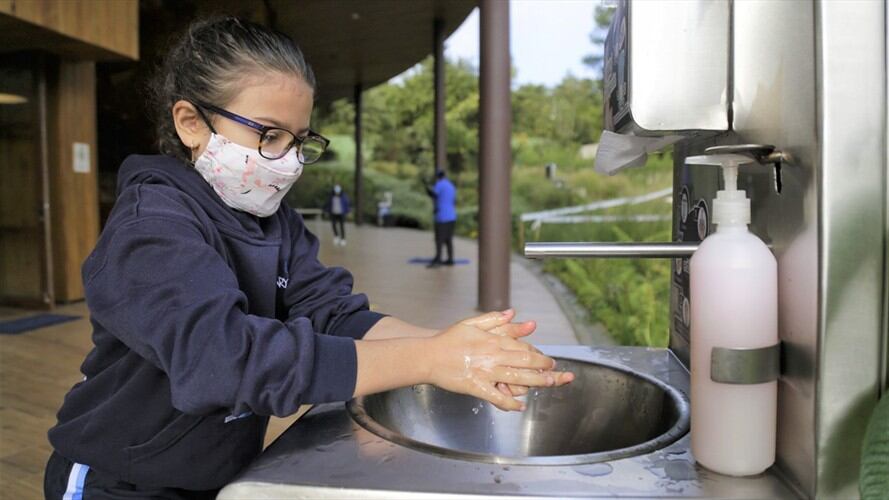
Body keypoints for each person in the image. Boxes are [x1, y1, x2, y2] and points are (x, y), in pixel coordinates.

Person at [43, 17, 573, 499]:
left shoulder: (271, 217)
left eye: (299, 141)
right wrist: (429, 360)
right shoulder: (151, 227)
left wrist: (452, 349)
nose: (289, 162)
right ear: (190, 123)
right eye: (268, 135)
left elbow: (333, 314)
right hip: (120, 479)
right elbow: (224, 360)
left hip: (215, 472)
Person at [425, 169, 457, 268]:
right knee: (448, 239)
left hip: (442, 216)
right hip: (451, 215)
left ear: (438, 176)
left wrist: (426, 188)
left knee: (439, 239)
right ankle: (450, 259)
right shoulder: (451, 185)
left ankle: (438, 259)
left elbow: (434, 194)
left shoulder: (440, 184)